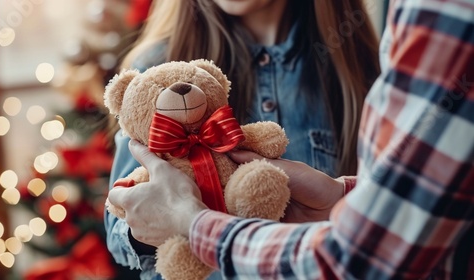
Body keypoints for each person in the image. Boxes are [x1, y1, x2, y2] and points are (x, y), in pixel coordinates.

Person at [108, 0, 474, 279]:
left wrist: (194, 222)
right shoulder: (156, 67)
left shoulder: (351, 65)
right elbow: (120, 224)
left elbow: (381, 235)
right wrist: (155, 223)